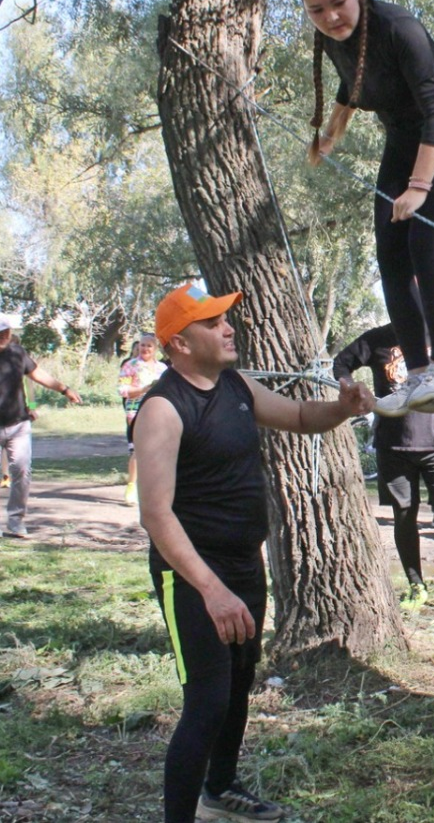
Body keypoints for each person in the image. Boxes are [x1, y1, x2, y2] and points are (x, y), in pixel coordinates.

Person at [133, 282, 375, 823]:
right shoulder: (162, 409)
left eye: (226, 319)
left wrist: (343, 407)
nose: (228, 327)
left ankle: (219, 790)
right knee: (207, 698)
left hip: (244, 563)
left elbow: (300, 419)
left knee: (239, 683)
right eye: (212, 322)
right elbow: (156, 515)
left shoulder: (236, 386)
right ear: (178, 343)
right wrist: (211, 590)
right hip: (193, 576)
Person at [299, 0, 434, 418]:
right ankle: (419, 376)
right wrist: (328, 138)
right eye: (316, 9)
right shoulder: (335, 37)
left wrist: (420, 187)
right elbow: (350, 85)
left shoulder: (399, 27)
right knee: (390, 255)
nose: (330, 16)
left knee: (423, 242)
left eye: (338, 1)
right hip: (403, 137)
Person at [333, 321, 434, 620]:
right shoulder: (378, 338)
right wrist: (351, 387)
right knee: (403, 513)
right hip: (393, 446)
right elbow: (341, 362)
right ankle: (416, 586)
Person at [0, 311, 82, 539]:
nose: (4, 335)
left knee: (22, 471)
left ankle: (16, 520)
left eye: (7, 331)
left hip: (18, 423)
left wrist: (64, 389)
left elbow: (38, 375)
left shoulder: (17, 352)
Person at [119, 333, 168, 507]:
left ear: (155, 349)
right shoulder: (130, 366)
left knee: (158, 450)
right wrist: (144, 389)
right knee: (138, 450)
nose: (145, 349)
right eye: (142, 345)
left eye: (149, 346)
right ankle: (131, 487)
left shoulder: (163, 369)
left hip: (158, 410)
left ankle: (155, 490)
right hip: (136, 411)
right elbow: (123, 390)